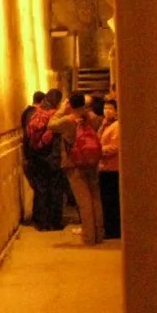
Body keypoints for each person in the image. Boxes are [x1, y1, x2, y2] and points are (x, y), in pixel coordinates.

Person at [49, 92, 104, 245]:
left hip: (74, 163)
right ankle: (99, 234)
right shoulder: (92, 118)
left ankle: (89, 237)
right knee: (95, 198)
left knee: (84, 201)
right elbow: (99, 121)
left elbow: (51, 124)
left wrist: (61, 110)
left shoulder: (68, 120)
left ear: (70, 104)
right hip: (91, 161)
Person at [26, 90, 66, 230]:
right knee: (55, 189)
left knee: (42, 190)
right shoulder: (55, 116)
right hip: (52, 157)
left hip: (37, 156)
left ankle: (42, 223)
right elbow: (57, 139)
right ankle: (55, 222)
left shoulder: (36, 114)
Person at [21, 91, 46, 222]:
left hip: (29, 155)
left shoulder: (26, 113)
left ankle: (37, 217)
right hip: (35, 155)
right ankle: (40, 218)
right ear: (42, 102)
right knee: (40, 188)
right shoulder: (35, 115)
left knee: (36, 188)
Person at [99, 98, 121, 240]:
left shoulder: (117, 126)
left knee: (111, 201)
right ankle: (109, 229)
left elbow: (115, 146)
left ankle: (114, 231)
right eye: (105, 108)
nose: (107, 111)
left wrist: (98, 150)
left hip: (113, 167)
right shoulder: (104, 124)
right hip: (104, 167)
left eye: (110, 109)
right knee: (106, 201)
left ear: (116, 111)